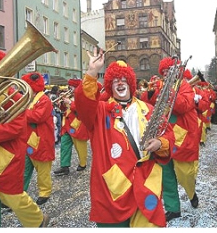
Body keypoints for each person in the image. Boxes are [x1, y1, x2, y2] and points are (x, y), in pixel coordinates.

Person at [75, 48, 175, 227]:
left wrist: (160, 143)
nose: (119, 83)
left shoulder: (149, 110)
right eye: (114, 80)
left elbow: (168, 134)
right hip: (113, 190)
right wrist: (92, 72)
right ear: (109, 85)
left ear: (130, 83)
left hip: (146, 185)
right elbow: (83, 104)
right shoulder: (99, 111)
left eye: (123, 79)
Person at [0, 50, 49, 227]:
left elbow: (25, 122)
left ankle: (38, 217)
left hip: (8, 152)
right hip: (27, 140)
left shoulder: (17, 96)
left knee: (14, 193)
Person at [156, 57, 200, 222]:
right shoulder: (162, 87)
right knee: (166, 175)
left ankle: (191, 192)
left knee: (185, 175)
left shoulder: (185, 86)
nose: (166, 74)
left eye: (169, 71)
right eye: (164, 72)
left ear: (176, 71)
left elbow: (183, 106)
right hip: (165, 136)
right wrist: (151, 95)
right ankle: (173, 208)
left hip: (183, 137)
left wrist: (170, 93)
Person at [22, 72, 55, 205]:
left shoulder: (44, 100)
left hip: (41, 140)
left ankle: (44, 192)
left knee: (43, 170)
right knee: (23, 169)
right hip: (28, 139)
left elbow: (37, 117)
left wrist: (21, 111)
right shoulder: (29, 99)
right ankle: (18, 192)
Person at [54, 79, 89, 176]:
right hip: (67, 126)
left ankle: (83, 163)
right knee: (64, 146)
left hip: (78, 125)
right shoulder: (69, 96)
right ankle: (64, 166)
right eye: (69, 86)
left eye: (72, 87)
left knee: (80, 147)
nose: (70, 88)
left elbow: (81, 109)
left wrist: (70, 102)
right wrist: (61, 104)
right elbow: (64, 109)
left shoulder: (83, 96)